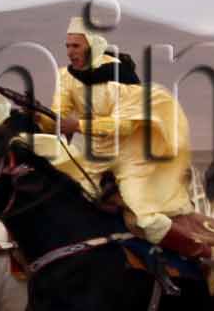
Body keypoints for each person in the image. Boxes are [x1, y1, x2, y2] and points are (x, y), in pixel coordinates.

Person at [57, 15, 202, 249]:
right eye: (67, 46)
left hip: (132, 157)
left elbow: (124, 125)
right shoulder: (66, 76)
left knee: (142, 218)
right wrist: (38, 117)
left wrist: (79, 126)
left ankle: (200, 253)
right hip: (94, 158)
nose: (69, 51)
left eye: (76, 45)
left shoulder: (119, 75)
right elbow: (58, 114)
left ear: (92, 44)